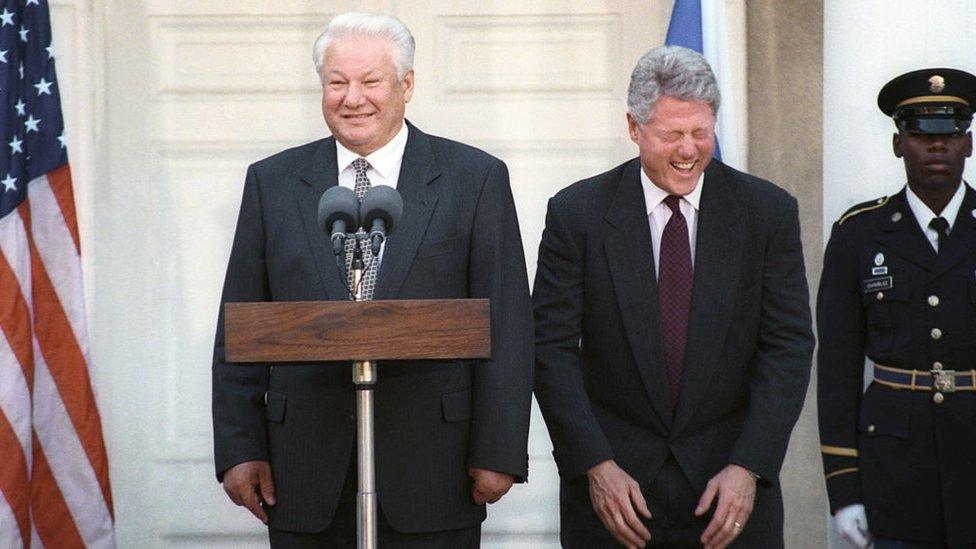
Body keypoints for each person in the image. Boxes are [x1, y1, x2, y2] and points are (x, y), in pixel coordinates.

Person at [211, 12, 533, 547]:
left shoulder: (473, 178)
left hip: (435, 468)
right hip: (305, 473)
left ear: (406, 85)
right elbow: (240, 326)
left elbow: (508, 324)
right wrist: (240, 447)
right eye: (336, 82)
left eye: (371, 81)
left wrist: (498, 452)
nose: (352, 97)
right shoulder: (272, 183)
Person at [533, 45, 814, 548]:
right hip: (615, 497)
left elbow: (788, 347)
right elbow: (549, 350)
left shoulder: (766, 213)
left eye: (700, 133)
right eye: (671, 135)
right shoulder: (577, 214)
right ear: (634, 128)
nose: (689, 150)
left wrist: (750, 465)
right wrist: (594, 465)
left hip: (729, 493)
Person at [817, 67, 976, 549]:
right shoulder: (858, 234)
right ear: (897, 144)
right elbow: (838, 369)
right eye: (921, 135)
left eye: (950, 135)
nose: (937, 148)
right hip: (893, 477)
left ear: (967, 144)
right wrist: (844, 489)